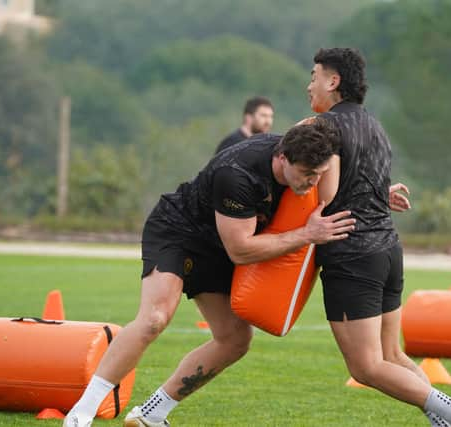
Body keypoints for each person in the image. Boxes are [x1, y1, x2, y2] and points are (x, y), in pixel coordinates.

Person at [63, 118, 356, 427]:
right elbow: (240, 250)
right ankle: (82, 413)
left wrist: (377, 195)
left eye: (318, 174)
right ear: (282, 158)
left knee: (235, 339)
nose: (312, 182)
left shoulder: (304, 154)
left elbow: (335, 174)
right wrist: (306, 235)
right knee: (154, 319)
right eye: (307, 174)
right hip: (180, 233)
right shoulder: (238, 174)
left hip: (217, 246)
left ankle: (152, 412)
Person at [308, 48, 451, 427]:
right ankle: (448, 418)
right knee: (392, 355)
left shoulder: (323, 127)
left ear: (333, 81)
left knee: (366, 367)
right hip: (388, 250)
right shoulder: (375, 125)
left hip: (352, 254)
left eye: (314, 76)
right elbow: (368, 182)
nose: (309, 85)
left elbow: (327, 194)